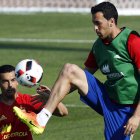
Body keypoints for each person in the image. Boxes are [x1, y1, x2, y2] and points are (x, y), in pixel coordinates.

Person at [13, 1, 140, 140]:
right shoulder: (98, 46)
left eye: (98, 23)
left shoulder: (132, 41)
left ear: (111, 21)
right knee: (70, 70)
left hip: (129, 107)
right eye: (93, 23)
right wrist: (54, 96)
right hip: (108, 99)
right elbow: (79, 78)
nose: (95, 28)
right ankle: (40, 119)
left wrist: (137, 116)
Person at [0, 64, 68, 140]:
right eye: (5, 81)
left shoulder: (29, 101)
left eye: (13, 80)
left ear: (18, 81)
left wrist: (50, 97)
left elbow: (63, 112)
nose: (10, 85)